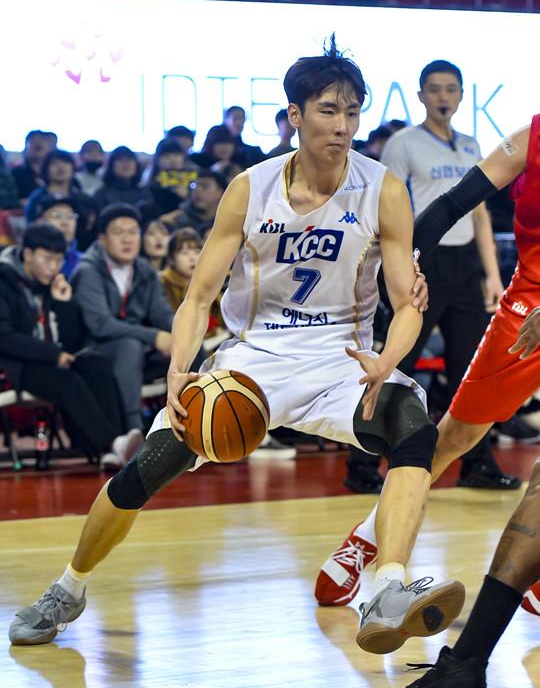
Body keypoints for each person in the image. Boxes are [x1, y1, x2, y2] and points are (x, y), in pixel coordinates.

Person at [8, 40, 462, 655]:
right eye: (329, 110)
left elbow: (409, 302)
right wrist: (179, 371)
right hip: (252, 360)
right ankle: (68, 587)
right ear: (295, 115)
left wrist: (388, 360)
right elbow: (198, 297)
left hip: (341, 360)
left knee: (412, 426)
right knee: (149, 467)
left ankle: (388, 588)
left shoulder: (381, 188)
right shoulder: (251, 188)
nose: (343, 125)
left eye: (353, 112)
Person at [360, 115, 540, 688]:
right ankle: (464, 669)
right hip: (525, 303)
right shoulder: (533, 134)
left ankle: (465, 668)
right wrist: (408, 257)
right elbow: (459, 199)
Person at [343, 59, 518, 505]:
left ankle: (477, 464)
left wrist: (492, 275)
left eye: (451, 89)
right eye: (435, 89)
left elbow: (480, 215)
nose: (443, 97)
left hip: (465, 265)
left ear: (461, 95)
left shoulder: (471, 144)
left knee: (469, 370)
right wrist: (398, 265)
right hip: (420, 260)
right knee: (397, 362)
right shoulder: (403, 143)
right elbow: (387, 206)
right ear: (420, 95)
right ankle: (361, 464)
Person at [0, 223, 142, 467]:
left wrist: (64, 304)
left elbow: (71, 343)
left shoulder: (52, 284)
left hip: (52, 358)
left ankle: (115, 444)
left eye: (58, 260)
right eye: (47, 259)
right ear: (28, 254)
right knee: (67, 381)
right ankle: (112, 444)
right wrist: (53, 355)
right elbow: (4, 338)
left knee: (96, 365)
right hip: (17, 366)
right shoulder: (4, 281)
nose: (53, 267)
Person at [72, 203, 174, 433]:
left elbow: (161, 314)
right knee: (129, 345)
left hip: (138, 347)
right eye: (118, 233)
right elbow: (100, 325)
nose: (127, 239)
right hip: (97, 350)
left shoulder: (144, 270)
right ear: (102, 239)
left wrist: (182, 333)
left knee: (187, 343)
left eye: (133, 232)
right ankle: (133, 430)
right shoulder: (88, 271)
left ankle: (202, 421)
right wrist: (154, 336)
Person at [37, 195, 82, 280]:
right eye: (57, 216)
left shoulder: (84, 262)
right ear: (40, 221)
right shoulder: (31, 261)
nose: (65, 222)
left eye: (70, 216)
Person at [173, 171, 227, 237]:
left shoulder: (231, 221)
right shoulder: (177, 221)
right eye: (194, 186)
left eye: (205, 186)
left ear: (220, 191)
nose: (197, 190)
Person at [93, 146, 144, 213]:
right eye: (120, 160)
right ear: (111, 165)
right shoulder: (101, 194)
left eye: (130, 159)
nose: (126, 164)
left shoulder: (145, 193)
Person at [11, 130, 50, 202]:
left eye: (42, 141)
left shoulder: (53, 173)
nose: (38, 143)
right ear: (25, 147)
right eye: (33, 141)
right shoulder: (16, 173)